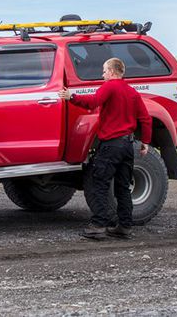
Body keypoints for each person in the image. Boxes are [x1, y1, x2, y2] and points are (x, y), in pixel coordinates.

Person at [58, 58, 151, 240]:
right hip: (127, 145)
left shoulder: (109, 86)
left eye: (103, 71)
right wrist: (145, 142)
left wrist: (72, 97)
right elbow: (145, 119)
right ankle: (124, 226)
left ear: (111, 71)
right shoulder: (132, 92)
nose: (102, 74)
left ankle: (98, 225)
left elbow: (93, 102)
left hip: (111, 145)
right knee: (123, 187)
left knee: (98, 183)